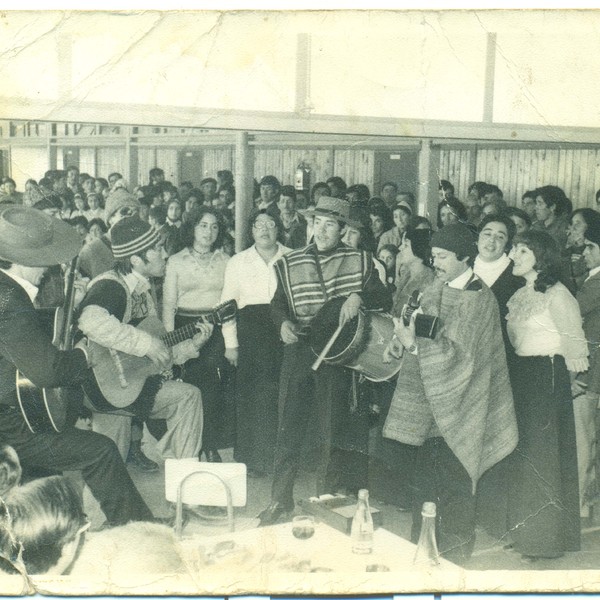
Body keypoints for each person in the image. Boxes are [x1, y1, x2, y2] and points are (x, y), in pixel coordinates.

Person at [0, 205, 153, 526]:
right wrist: (84, 354)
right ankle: (141, 528)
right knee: (100, 450)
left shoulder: (6, 291)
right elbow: (46, 371)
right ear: (26, 260)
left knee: (54, 456)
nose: (50, 267)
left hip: (12, 413)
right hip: (11, 427)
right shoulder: (12, 301)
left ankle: (52, 526)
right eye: (45, 259)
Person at [383, 223, 517, 564]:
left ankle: (456, 562)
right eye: (433, 256)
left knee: (455, 488)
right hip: (430, 405)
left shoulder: (479, 298)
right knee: (424, 487)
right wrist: (401, 343)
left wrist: (416, 346)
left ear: (463, 257)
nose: (436, 262)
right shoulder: (433, 287)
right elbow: (424, 332)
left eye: (442, 257)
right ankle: (421, 553)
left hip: (462, 409)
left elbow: (463, 359)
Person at [257, 196, 392, 526]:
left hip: (336, 356)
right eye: (317, 223)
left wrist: (359, 295)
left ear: (343, 229)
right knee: (288, 427)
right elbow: (277, 306)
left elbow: (385, 296)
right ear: (310, 225)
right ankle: (280, 500)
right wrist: (282, 324)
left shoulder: (361, 261)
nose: (322, 230)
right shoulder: (291, 262)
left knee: (331, 430)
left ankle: (325, 503)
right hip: (299, 352)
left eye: (330, 224)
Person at [77, 215, 209, 463]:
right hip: (103, 384)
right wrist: (145, 343)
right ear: (136, 259)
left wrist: (191, 346)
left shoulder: (142, 289)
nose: (164, 254)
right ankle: (184, 486)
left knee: (108, 463)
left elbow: (157, 349)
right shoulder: (110, 286)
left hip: (126, 386)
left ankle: (184, 489)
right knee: (110, 463)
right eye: (157, 249)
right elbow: (90, 320)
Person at [506, 229, 588, 561]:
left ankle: (543, 541)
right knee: (524, 454)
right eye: (515, 250)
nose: (513, 256)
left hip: (547, 378)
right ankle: (528, 531)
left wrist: (562, 387)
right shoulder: (520, 295)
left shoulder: (559, 295)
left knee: (543, 457)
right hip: (524, 375)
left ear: (541, 257)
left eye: (522, 251)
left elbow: (575, 349)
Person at [220, 210, 291, 476]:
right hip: (250, 333)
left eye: (271, 223)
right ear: (251, 231)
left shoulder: (292, 256)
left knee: (280, 395)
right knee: (253, 397)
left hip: (284, 331)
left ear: (278, 228)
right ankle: (253, 460)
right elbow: (227, 305)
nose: (264, 229)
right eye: (259, 225)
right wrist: (231, 343)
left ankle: (281, 459)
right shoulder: (238, 261)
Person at [163, 207, 231, 463]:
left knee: (212, 385)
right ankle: (190, 445)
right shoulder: (176, 260)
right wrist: (170, 343)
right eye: (203, 225)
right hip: (184, 328)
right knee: (191, 387)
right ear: (192, 227)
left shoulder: (226, 260)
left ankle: (210, 444)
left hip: (215, 327)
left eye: (214, 226)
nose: (208, 231)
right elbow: (169, 305)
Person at [575, 213, 600, 515]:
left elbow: (574, 310)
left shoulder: (596, 283)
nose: (584, 252)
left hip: (589, 371)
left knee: (584, 438)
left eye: (590, 246)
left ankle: (579, 501)